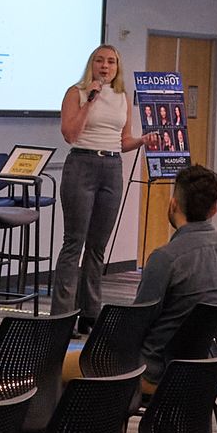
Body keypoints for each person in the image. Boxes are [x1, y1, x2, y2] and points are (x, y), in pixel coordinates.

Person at [129, 164, 217, 389]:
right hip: (210, 366)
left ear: (173, 204)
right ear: (214, 210)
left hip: (157, 370)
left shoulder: (165, 259)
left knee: (69, 368)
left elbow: (137, 322)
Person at [55, 44, 149, 327]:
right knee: (74, 242)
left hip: (111, 168)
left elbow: (123, 141)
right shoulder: (77, 92)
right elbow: (70, 134)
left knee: (97, 246)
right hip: (81, 165)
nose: (105, 66)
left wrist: (143, 140)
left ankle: (89, 313)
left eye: (111, 62)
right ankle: (62, 318)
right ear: (91, 64)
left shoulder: (122, 97)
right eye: (99, 61)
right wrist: (90, 101)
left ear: (117, 67)